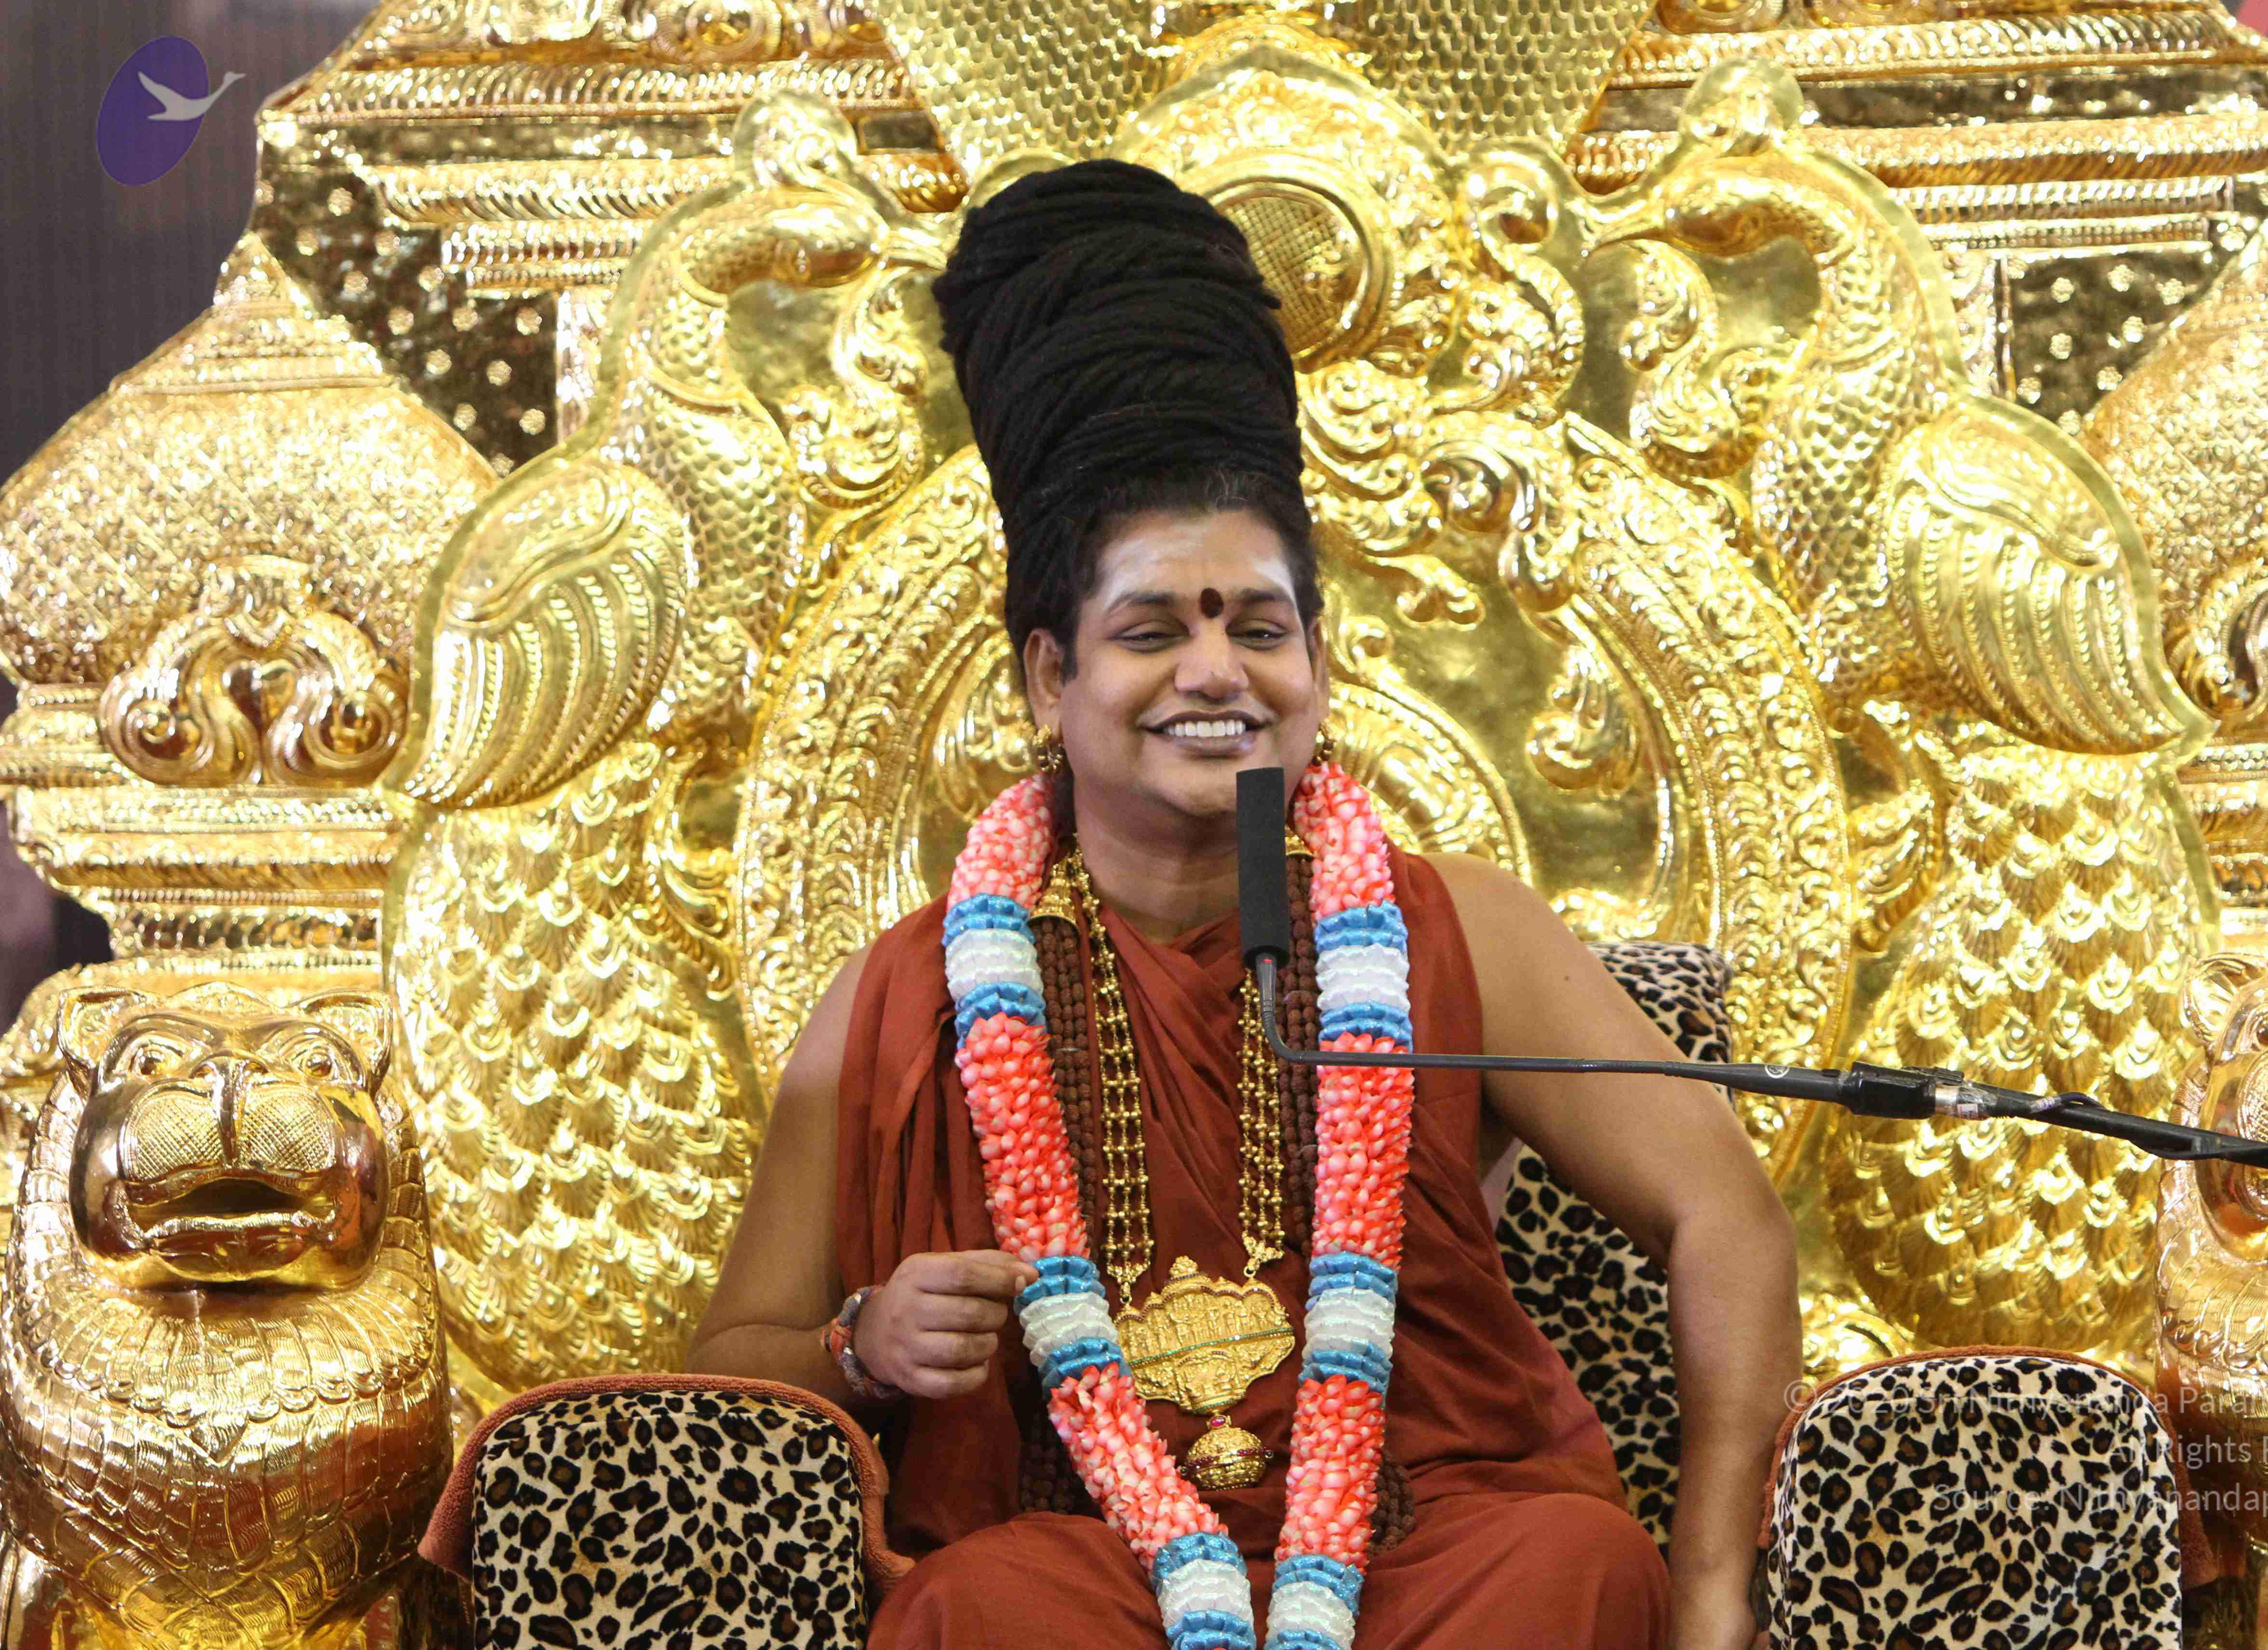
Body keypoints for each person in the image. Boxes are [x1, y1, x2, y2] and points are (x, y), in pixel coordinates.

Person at [690, 160, 1800, 1650]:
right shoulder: (909, 994)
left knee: (1572, 1566)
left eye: (1260, 627)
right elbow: (729, 1360)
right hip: (1091, 1566)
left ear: (1318, 670)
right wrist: (860, 1343)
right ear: (1048, 678)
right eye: (1153, 629)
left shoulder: (1457, 932)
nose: (1216, 672)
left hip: (1425, 1555)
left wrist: (1716, 1581)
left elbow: (1726, 1217)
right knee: (976, 1610)